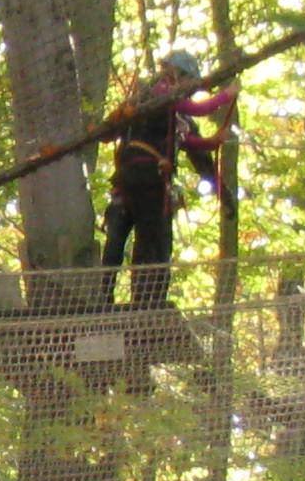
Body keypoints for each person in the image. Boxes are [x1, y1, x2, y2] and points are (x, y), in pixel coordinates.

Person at [99, 48, 232, 309]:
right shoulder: (162, 100)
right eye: (189, 84)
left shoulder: (140, 103)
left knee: (121, 239)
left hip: (127, 184)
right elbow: (198, 117)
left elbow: (194, 145)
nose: (190, 91)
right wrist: (228, 95)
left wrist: (214, 144)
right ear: (178, 76)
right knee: (153, 242)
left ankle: (111, 297)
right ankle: (147, 302)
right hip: (149, 182)